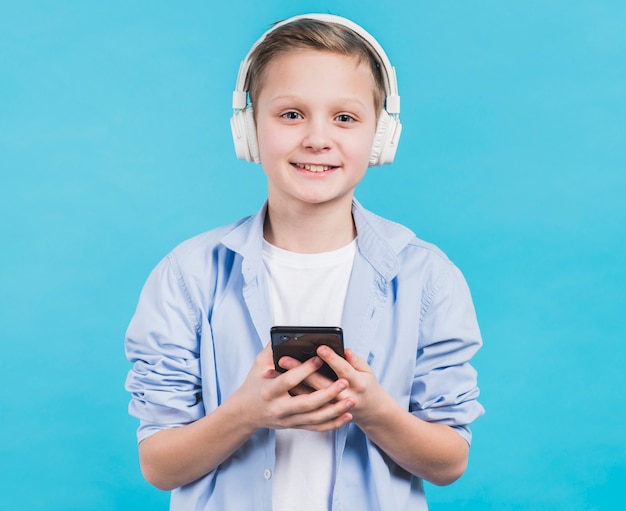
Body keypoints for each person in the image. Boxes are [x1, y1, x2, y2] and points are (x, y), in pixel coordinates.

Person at [125, 13, 484, 511]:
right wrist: (245, 414)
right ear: (248, 128)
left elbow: (449, 463)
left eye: (345, 117)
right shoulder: (188, 275)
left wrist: (376, 411)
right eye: (291, 114)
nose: (317, 138)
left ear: (381, 136)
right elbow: (159, 466)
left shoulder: (427, 278)